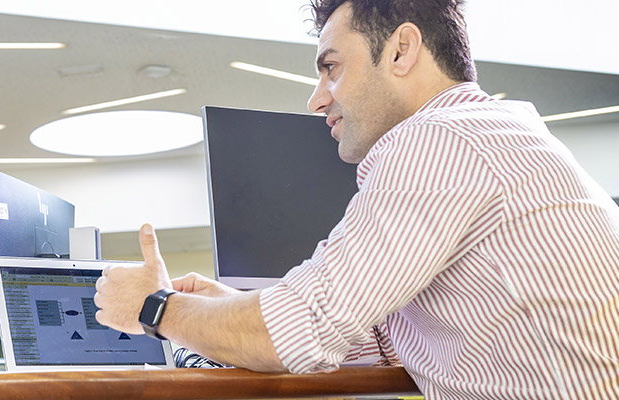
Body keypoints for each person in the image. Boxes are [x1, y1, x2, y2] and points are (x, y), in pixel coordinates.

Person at [93, 0, 619, 397]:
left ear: (401, 49)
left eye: (331, 67)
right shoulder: (497, 130)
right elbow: (381, 336)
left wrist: (155, 307)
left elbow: (299, 330)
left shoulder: (438, 139)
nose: (317, 97)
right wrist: (224, 307)